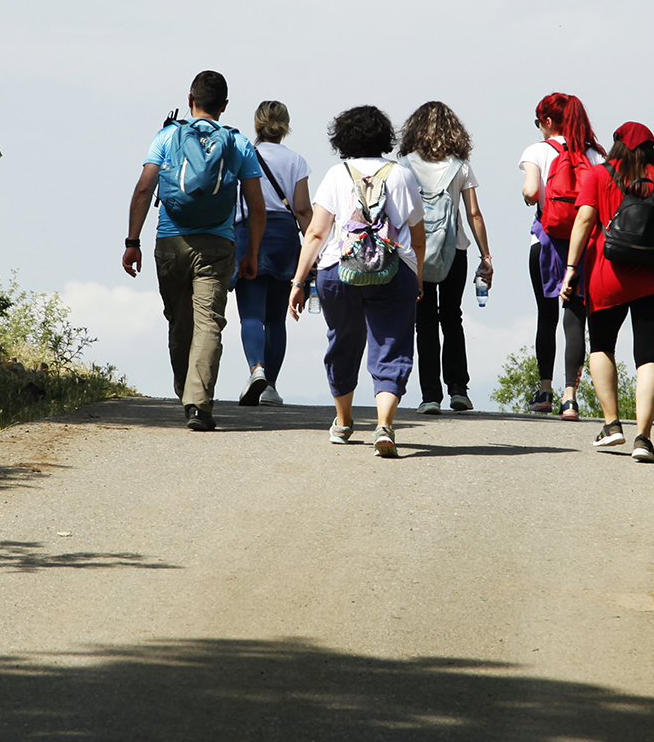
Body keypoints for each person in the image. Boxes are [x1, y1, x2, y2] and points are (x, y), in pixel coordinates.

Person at [122, 70, 264, 432]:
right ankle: (198, 403)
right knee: (209, 323)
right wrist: (252, 254)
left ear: (190, 99)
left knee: (180, 321)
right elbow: (256, 206)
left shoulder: (167, 135)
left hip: (171, 241)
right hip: (218, 245)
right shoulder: (238, 143)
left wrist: (132, 242)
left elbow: (143, 189)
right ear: (225, 106)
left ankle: (186, 391)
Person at [289, 106, 426, 457]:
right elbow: (418, 234)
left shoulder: (337, 174)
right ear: (385, 137)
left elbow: (317, 233)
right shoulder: (402, 175)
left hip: (341, 271)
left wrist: (299, 281)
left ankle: (344, 421)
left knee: (343, 343)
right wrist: (418, 276)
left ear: (343, 137)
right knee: (392, 346)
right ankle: (384, 424)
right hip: (394, 271)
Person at [559, 121, 654, 463]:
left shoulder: (599, 175)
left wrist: (570, 270)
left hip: (607, 273)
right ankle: (643, 439)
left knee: (601, 345)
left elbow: (584, 221)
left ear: (617, 144)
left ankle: (612, 424)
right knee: (648, 357)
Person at [398, 101, 493, 414]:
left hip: (416, 251)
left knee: (424, 321)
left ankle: (430, 396)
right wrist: (486, 255)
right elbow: (474, 213)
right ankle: (458, 389)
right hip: (456, 249)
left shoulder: (406, 166)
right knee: (452, 316)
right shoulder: (460, 166)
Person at [519, 93, 603, 418]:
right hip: (583, 246)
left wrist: (536, 201)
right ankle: (571, 396)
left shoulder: (536, 150)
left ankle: (545, 391)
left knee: (546, 316)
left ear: (549, 122)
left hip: (545, 243)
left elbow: (530, 191)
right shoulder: (594, 154)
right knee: (576, 318)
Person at [233, 100, 312, 407]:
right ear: (285, 127)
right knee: (276, 319)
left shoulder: (243, 155)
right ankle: (271, 387)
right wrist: (313, 250)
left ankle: (256, 369)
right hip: (283, 237)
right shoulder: (296, 161)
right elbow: (303, 209)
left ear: (257, 125)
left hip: (249, 232)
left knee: (251, 313)